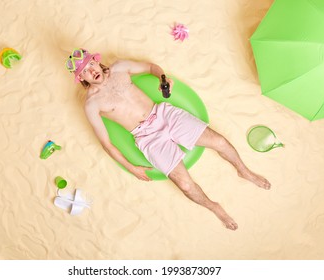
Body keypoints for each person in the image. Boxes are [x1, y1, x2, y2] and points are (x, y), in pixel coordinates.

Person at [65, 48, 271, 230]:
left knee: (220, 142)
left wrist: (164, 78)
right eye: (84, 71)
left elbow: (152, 67)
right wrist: (132, 168)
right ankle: (214, 207)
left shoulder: (120, 67)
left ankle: (243, 171)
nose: (91, 70)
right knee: (185, 185)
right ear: (81, 78)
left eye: (91, 64)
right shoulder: (91, 104)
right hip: (146, 137)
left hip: (164, 114)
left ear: (96, 61)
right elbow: (107, 144)